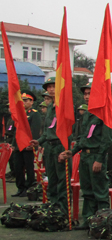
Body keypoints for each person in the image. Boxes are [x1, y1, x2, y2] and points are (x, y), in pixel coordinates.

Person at [60, 83, 112, 229]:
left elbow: (107, 139)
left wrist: (99, 159)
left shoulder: (104, 113)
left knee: (100, 191)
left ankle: (103, 220)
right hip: (84, 156)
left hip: (96, 156)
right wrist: (74, 151)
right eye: (85, 94)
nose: (86, 96)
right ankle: (89, 220)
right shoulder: (87, 114)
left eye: (90, 93)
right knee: (88, 190)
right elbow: (83, 137)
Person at [31, 78, 70, 214]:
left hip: (60, 146)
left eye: (54, 86)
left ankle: (63, 210)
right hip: (49, 146)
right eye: (49, 87)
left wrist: (66, 149)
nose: (51, 89)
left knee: (62, 180)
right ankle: (53, 208)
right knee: (52, 179)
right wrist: (39, 141)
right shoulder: (49, 108)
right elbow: (48, 130)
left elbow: (69, 128)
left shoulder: (64, 106)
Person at [12, 92, 42, 197]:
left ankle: (29, 188)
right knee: (18, 168)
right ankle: (20, 188)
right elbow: (16, 130)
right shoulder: (20, 113)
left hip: (28, 145)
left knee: (29, 168)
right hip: (18, 145)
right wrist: (13, 144)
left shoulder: (34, 114)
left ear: (31, 102)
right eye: (22, 100)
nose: (24, 103)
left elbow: (35, 130)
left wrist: (32, 143)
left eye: (26, 100)